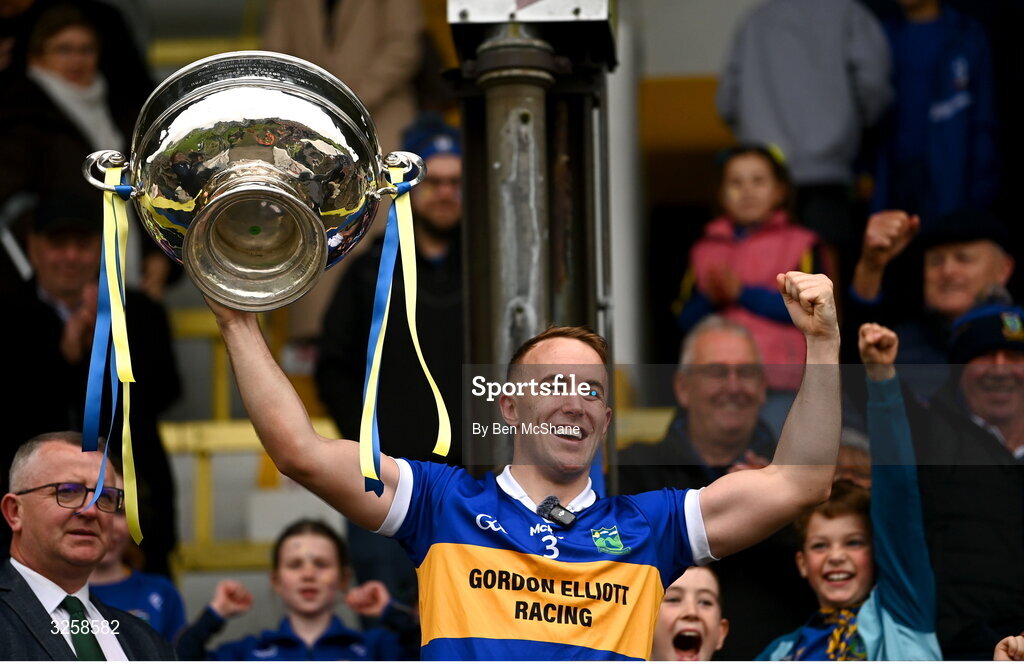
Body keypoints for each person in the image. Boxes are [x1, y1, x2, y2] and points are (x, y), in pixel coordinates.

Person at [207, 268, 841, 660]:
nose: (575, 401)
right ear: (509, 406)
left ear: (607, 421)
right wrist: (237, 318)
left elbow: (802, 481)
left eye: (592, 389)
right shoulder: (440, 503)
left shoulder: (654, 525)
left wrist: (822, 343)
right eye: (555, 383)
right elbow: (300, 452)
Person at [316, 114, 464, 612]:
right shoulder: (367, 273)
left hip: (471, 487)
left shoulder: (490, 268)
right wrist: (367, 452)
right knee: (385, 627)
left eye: (456, 183)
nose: (445, 193)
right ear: (408, 189)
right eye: (434, 182)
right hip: (384, 486)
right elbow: (332, 366)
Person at [0, 195, 182, 576]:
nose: (69, 256)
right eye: (56, 243)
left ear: (101, 247)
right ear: (33, 247)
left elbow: (167, 392)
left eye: (81, 244)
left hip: (132, 510)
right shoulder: (8, 316)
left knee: (135, 628)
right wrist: (64, 357)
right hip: (26, 522)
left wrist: (98, 348)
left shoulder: (140, 313)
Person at [619, 316, 816, 658]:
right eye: (716, 372)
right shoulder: (633, 471)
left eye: (747, 373)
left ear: (763, 389)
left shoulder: (797, 477)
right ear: (682, 387)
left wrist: (778, 504)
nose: (733, 385)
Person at [759, 323, 941, 660]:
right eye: (819, 545)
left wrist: (881, 379)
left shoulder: (902, 615)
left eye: (854, 542)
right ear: (801, 563)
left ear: (877, 552)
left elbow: (897, 497)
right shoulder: (780, 653)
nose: (836, 555)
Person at [850, 305, 1024, 659]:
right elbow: (864, 378)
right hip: (952, 645)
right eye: (985, 355)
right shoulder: (926, 432)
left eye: (1014, 356)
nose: (1001, 367)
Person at [262, 0, 423, 340]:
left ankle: (392, 338)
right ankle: (324, 353)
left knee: (382, 250)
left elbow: (405, 45)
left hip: (381, 130)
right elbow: (274, 57)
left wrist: (344, 102)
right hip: (310, 139)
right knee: (317, 249)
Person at [717, 0, 891, 274]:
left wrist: (758, 141)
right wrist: (847, 128)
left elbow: (726, 102)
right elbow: (874, 88)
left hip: (764, 178)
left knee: (764, 271)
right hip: (828, 173)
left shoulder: (755, 20)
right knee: (826, 276)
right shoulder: (849, 14)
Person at [674, 145, 831, 432]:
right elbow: (684, 319)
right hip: (716, 381)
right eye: (736, 182)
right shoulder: (704, 249)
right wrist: (711, 298)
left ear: (780, 191)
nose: (747, 191)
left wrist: (742, 294)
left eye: (758, 181)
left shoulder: (801, 243)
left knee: (774, 453)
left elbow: (815, 313)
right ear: (722, 194)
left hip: (781, 381)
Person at [0, 432, 174, 659]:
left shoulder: (146, 643)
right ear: (15, 512)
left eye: (106, 496)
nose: (91, 511)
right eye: (68, 491)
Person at [175, 518, 417, 660]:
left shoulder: (374, 649)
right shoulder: (247, 653)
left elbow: (436, 654)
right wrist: (214, 614)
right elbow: (172, 658)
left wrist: (391, 612)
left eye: (321, 564)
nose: (308, 574)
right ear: (276, 581)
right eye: (295, 565)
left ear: (344, 579)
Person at [844, 207, 1013, 399]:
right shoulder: (897, 348)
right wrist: (871, 267)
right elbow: (859, 381)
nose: (947, 271)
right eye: (936, 261)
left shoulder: (1017, 341)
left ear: (1003, 269)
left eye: (964, 258)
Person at [869, 0, 998, 225]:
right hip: (893, 173)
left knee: (944, 245)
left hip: (952, 172)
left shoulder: (966, 34)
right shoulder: (880, 35)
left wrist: (982, 180)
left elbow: (983, 118)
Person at [88, 471, 186, 644]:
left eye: (120, 512)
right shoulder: (49, 592)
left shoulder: (162, 591)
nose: (108, 525)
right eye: (97, 506)